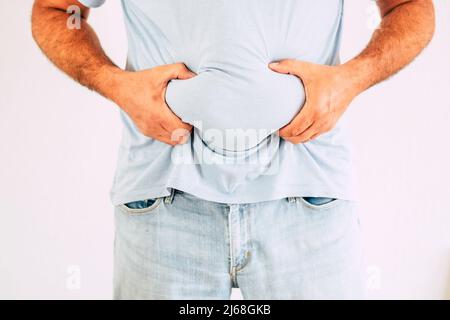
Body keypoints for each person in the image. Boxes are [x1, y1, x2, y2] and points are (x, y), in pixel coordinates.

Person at [31, 0, 435, 299]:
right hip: (163, 204)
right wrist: (116, 84)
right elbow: (55, 9)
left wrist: (350, 80)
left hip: (308, 201)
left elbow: (411, 7)